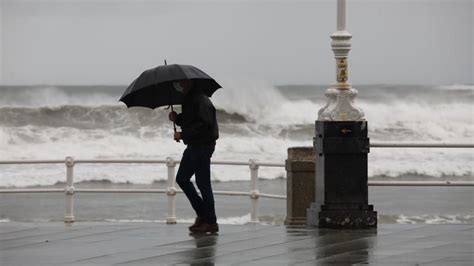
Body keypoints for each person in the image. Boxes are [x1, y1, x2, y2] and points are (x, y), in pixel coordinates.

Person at [168, 79, 219, 233]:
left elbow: (205, 125)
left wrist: (183, 134)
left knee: (203, 184)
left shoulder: (200, 100)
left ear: (189, 83)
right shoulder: (191, 99)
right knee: (182, 178)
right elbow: (192, 120)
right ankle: (203, 215)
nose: (179, 86)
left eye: (181, 83)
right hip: (194, 146)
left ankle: (210, 221)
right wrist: (177, 119)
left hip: (203, 146)